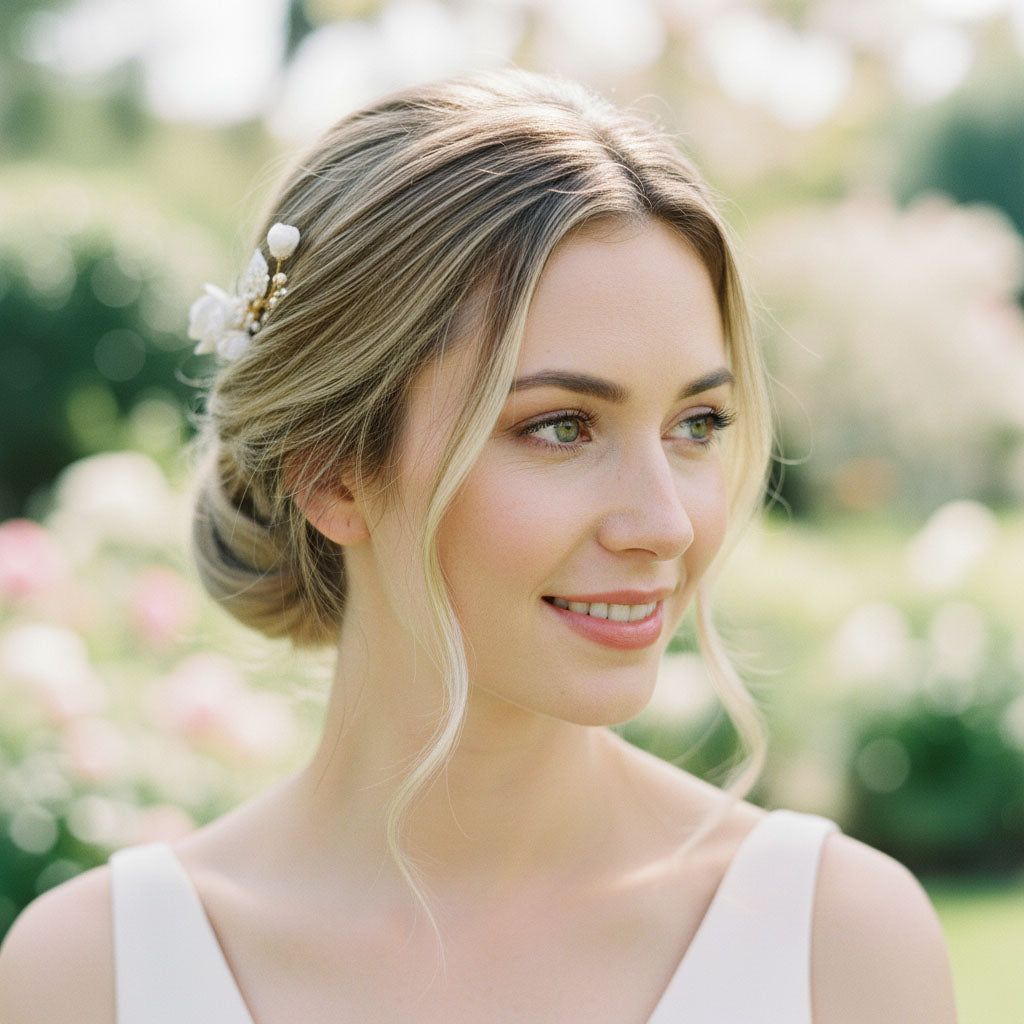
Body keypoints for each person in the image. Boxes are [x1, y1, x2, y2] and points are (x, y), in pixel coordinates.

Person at [0, 69, 956, 1023]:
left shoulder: (839, 947)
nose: (666, 524)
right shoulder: (90, 977)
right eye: (562, 427)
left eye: (696, 424)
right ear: (333, 473)